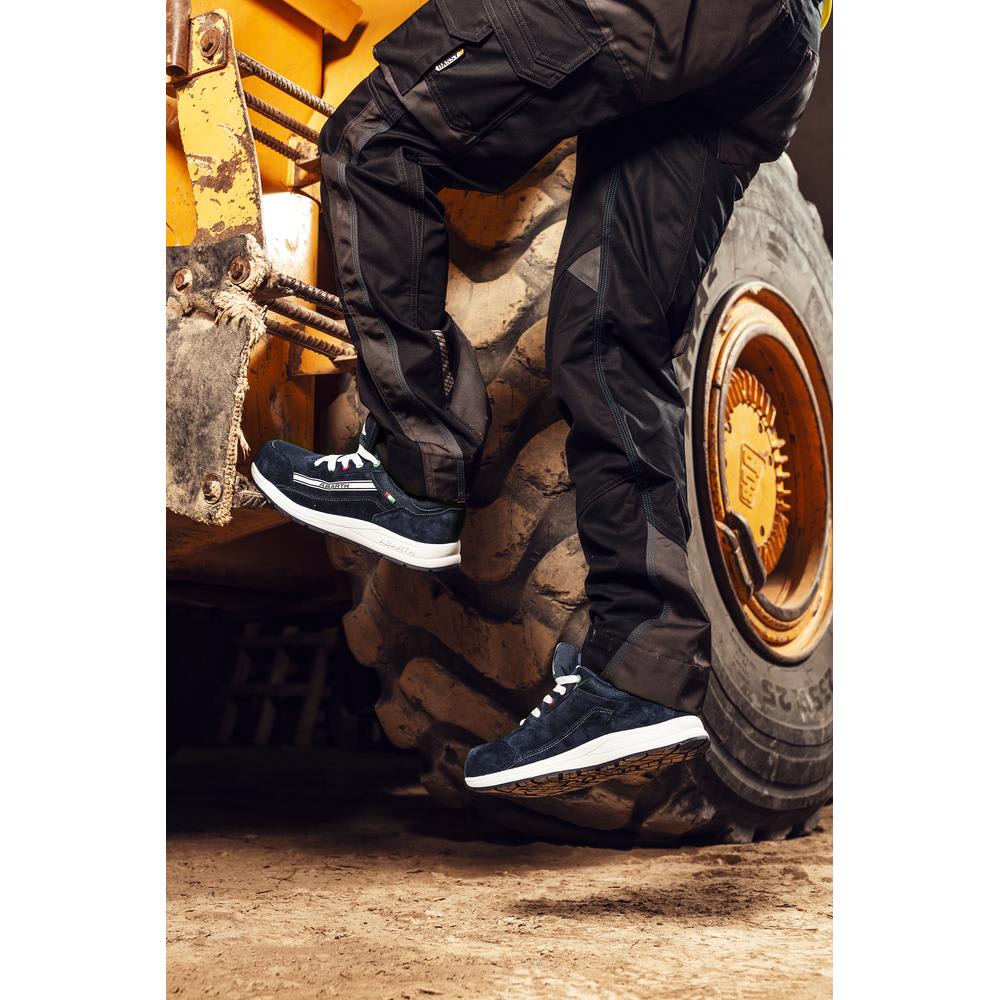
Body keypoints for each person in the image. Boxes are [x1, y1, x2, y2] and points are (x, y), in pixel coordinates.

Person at [251, 0, 826, 795]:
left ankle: (417, 470)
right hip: (779, 44)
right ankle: (642, 674)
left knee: (376, 140)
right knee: (607, 337)